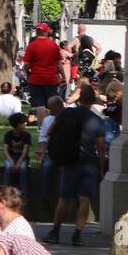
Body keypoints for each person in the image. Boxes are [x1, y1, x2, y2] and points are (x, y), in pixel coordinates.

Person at [45, 84, 106, 246]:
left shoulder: (66, 113)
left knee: (64, 198)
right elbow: (101, 149)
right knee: (84, 199)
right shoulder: (98, 121)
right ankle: (77, 234)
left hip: (70, 161)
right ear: (93, 100)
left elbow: (50, 131)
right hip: (89, 163)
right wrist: (101, 169)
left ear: (79, 98)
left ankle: (55, 231)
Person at [23, 21, 66, 115]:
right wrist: (64, 76)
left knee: (39, 104)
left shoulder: (31, 46)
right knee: (52, 102)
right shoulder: (53, 45)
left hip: (36, 79)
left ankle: (41, 126)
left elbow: (26, 64)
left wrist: (28, 74)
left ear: (37, 32)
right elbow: (59, 63)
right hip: (51, 79)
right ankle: (52, 122)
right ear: (47, 32)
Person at [2, 112, 32, 192]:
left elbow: (25, 150)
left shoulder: (26, 135)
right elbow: (5, 149)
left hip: (22, 158)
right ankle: (6, 190)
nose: (25, 124)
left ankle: (23, 192)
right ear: (17, 125)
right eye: (22, 123)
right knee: (8, 167)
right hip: (11, 157)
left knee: (22, 168)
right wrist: (12, 162)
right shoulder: (8, 135)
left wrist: (18, 163)